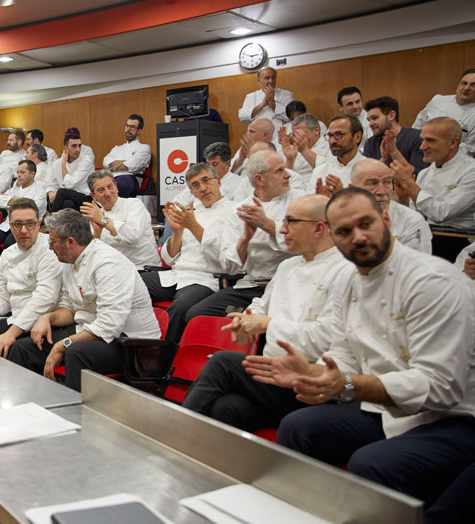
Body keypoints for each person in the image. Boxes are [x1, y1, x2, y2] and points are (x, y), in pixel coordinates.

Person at [245, 188, 475, 524]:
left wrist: (346, 385)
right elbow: (344, 357)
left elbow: (442, 387)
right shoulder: (348, 281)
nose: (358, 237)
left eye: (365, 224)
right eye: (345, 231)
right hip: (387, 409)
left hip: (456, 418)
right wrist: (312, 373)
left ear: (385, 220)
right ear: (332, 236)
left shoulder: (431, 282)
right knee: (297, 428)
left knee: (374, 463)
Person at [182, 194, 353, 431]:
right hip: (274, 375)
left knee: (223, 363)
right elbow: (262, 304)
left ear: (319, 228)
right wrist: (246, 318)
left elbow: (326, 337)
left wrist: (266, 325)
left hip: (312, 379)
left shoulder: (346, 272)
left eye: (290, 222)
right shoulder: (288, 266)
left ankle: (174, 435)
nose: (282, 230)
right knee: (226, 408)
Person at [7, 209, 159, 391]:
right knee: (24, 348)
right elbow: (70, 309)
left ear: (70, 242)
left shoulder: (108, 264)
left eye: (52, 242)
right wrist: (46, 318)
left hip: (131, 344)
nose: (49, 247)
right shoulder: (69, 261)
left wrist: (62, 344)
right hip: (90, 331)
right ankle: (28, 405)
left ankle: (74, 416)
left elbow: (109, 325)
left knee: (75, 353)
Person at [188, 150, 304, 319]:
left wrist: (267, 224)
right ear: (260, 179)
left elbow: (304, 245)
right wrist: (245, 239)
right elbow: (229, 267)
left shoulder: (299, 201)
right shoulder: (239, 210)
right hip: (251, 286)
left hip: (290, 285)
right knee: (197, 314)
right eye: (279, 171)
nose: (287, 175)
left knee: (266, 328)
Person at [142, 163, 236, 359]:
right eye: (195, 185)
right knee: (132, 284)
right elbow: (169, 257)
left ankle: (161, 360)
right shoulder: (193, 211)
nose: (202, 188)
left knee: (180, 308)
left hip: (205, 278)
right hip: (177, 274)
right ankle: (132, 346)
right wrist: (177, 232)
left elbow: (225, 259)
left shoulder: (234, 212)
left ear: (218, 181)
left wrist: (192, 226)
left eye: (206, 181)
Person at [0, 198, 63, 355]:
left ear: (38, 224)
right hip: (16, 319)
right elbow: (3, 294)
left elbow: (45, 298)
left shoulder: (49, 249)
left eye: (29, 223)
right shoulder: (7, 254)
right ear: (10, 226)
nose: (23, 230)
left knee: (11, 352)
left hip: (43, 322)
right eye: (17, 224)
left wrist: (11, 333)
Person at [391, 117, 475, 258]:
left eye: (430, 140)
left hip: (457, 241)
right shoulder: (425, 173)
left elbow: (442, 212)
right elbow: (414, 215)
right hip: (426, 234)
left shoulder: (470, 171)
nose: (422, 146)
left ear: (453, 143)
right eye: (423, 140)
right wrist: (404, 198)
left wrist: (409, 183)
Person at [349, 158, 432, 254]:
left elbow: (417, 265)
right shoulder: (340, 220)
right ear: (353, 189)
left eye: (387, 182)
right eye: (372, 184)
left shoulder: (411, 221)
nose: (382, 191)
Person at [80, 171, 160, 269]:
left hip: (143, 268)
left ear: (116, 187)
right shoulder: (94, 216)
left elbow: (132, 235)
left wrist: (103, 220)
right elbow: (91, 254)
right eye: (101, 190)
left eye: (110, 187)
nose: (107, 193)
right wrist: (97, 232)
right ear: (93, 196)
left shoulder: (134, 205)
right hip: (112, 270)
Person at [0, 160, 49, 267]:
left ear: (32, 174)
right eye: (17, 172)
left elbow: (31, 207)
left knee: (9, 244)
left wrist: (10, 202)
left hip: (25, 227)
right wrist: (15, 200)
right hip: (6, 226)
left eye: (22, 172)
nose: (18, 175)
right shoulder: (15, 189)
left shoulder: (40, 191)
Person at [413, 69, 475, 156]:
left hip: (452, 161)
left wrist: (437, 152)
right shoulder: (437, 100)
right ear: (458, 85)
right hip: (420, 152)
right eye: (464, 83)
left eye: (473, 85)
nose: (466, 88)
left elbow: (468, 148)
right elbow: (418, 125)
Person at [362, 96, 429, 173]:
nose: (370, 124)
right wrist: (383, 159)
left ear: (391, 115)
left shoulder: (416, 137)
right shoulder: (371, 143)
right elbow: (367, 175)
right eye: (369, 120)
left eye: (374, 118)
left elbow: (420, 176)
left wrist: (393, 152)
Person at [311, 114, 366, 196]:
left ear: (357, 137)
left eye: (339, 134)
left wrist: (341, 196)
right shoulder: (319, 172)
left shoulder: (371, 170)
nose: (332, 141)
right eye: (330, 135)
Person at [47, 127, 95, 212]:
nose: (78, 149)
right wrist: (50, 191)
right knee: (68, 204)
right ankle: (58, 224)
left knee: (62, 192)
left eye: (79, 146)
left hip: (85, 197)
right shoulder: (56, 164)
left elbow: (71, 184)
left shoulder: (86, 161)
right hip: (67, 199)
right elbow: (51, 184)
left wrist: (63, 165)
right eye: (74, 146)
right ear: (65, 149)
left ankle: (51, 219)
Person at [103, 114, 152, 197]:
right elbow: (105, 162)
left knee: (122, 181)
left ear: (139, 131)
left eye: (132, 127)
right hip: (111, 179)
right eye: (127, 126)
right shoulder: (117, 148)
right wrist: (125, 162)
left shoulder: (144, 148)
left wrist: (113, 166)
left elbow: (131, 165)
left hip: (129, 179)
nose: (128, 129)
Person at [238, 67, 294, 132]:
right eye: (267, 78)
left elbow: (291, 116)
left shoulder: (286, 95)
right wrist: (262, 105)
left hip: (279, 137)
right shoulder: (251, 96)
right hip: (257, 136)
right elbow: (243, 117)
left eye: (273, 77)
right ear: (259, 81)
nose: (271, 81)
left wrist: (272, 103)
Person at [279, 113, 328, 181]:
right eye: (294, 134)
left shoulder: (329, 147)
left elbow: (327, 170)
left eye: (300, 133)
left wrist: (304, 150)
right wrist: (290, 160)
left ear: (316, 130)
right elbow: (285, 176)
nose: (296, 137)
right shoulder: (292, 148)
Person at [0, 129, 26, 193]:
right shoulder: (4, 153)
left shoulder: (25, 156)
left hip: (13, 184)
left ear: (19, 142)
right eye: (8, 140)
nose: (8, 142)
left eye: (11, 140)